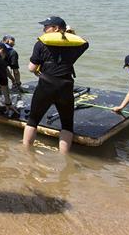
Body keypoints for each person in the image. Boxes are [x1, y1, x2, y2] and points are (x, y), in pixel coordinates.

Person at [22, 16, 89, 154]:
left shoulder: (41, 44)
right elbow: (85, 43)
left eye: (47, 26)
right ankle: (64, 158)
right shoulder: (74, 45)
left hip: (46, 85)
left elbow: (31, 68)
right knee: (67, 125)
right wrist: (70, 33)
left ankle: (26, 153)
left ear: (56, 28)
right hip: (65, 86)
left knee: (33, 120)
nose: (44, 29)